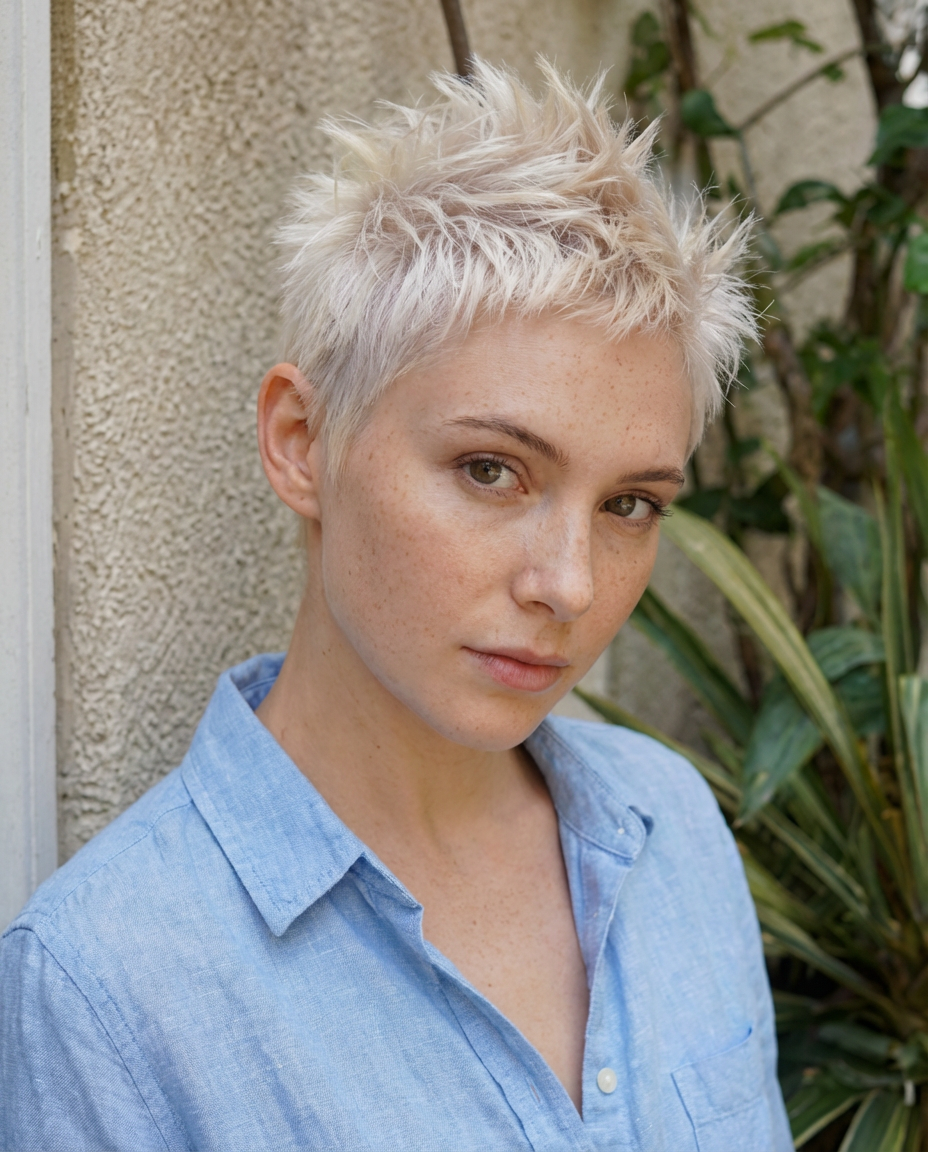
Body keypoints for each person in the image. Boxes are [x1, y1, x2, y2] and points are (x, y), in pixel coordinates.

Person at [0, 60, 791, 1151]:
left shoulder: (671, 826)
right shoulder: (111, 987)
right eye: (489, 470)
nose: (568, 583)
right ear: (301, 442)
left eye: (630, 503)